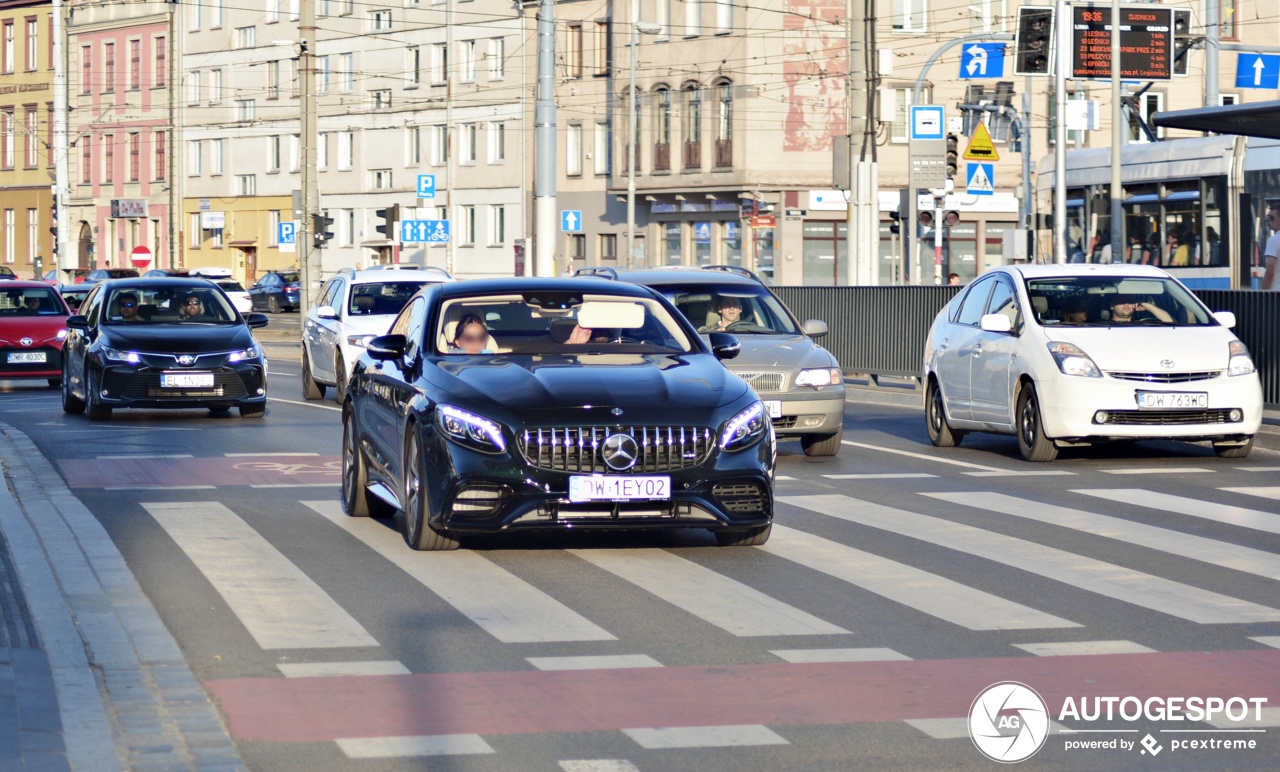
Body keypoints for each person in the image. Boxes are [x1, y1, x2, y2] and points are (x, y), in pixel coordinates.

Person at [1107, 293, 1173, 324]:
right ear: (1111, 306)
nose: (1126, 304)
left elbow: (1169, 322)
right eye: (1121, 301)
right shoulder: (1102, 326)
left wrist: (1147, 306)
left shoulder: (1142, 324)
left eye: (1130, 301)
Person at [1262, 204, 1280, 290]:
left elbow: (1270, 272)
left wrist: (1262, 295)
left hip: (1276, 296)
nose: (1267, 220)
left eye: (1271, 217)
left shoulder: (1273, 240)